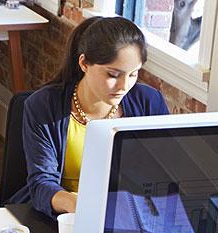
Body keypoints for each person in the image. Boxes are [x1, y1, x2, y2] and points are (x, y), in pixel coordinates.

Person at [12, 16, 169, 217]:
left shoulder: (149, 102)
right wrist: (76, 204)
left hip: (128, 217)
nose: (124, 86)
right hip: (63, 218)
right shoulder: (43, 106)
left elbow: (165, 172)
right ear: (84, 63)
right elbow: (41, 184)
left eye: (133, 74)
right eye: (113, 75)